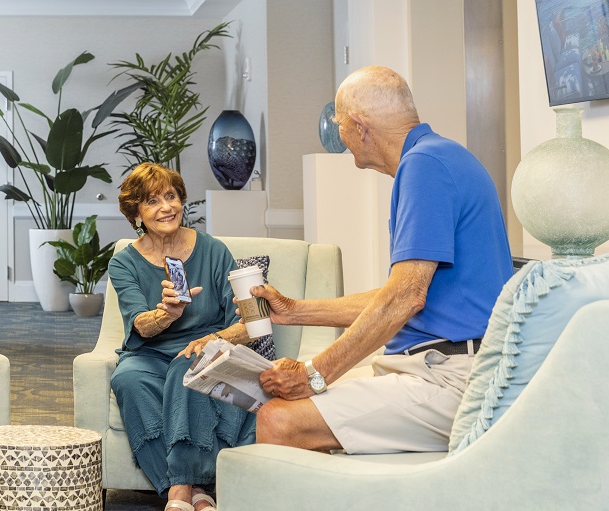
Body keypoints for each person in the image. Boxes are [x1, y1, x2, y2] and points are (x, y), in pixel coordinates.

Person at [251, 66, 512, 455]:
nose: (340, 138)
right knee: (278, 401)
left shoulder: (425, 166)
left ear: (359, 125)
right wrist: (294, 311)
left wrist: (315, 376)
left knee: (278, 421)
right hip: (436, 366)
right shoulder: (437, 157)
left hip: (453, 378)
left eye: (339, 125)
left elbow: (404, 298)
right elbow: (403, 292)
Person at [107, 163, 256, 511]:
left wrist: (213, 339)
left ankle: (178, 492)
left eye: (171, 196)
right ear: (137, 214)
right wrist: (166, 314)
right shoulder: (124, 262)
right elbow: (139, 324)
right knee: (127, 379)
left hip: (206, 347)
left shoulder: (214, 250)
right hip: (149, 353)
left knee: (187, 364)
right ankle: (197, 492)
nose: (166, 207)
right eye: (152, 201)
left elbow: (247, 322)